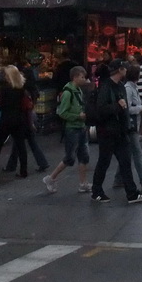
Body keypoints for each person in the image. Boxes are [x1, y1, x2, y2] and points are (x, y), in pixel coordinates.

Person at [90, 60, 142, 204]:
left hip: (120, 131)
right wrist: (117, 106)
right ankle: (96, 191)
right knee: (104, 161)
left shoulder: (121, 86)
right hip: (107, 131)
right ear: (119, 70)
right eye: (125, 69)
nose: (127, 71)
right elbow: (101, 109)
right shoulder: (106, 87)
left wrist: (127, 126)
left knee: (125, 161)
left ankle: (132, 193)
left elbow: (125, 109)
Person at [43, 65, 91, 194]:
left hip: (81, 127)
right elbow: (62, 112)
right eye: (82, 77)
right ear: (75, 77)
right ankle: (51, 178)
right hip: (72, 129)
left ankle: (83, 183)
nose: (84, 79)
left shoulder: (78, 91)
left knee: (84, 156)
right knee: (70, 157)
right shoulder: (68, 93)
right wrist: (77, 116)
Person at [0, 65, 30, 178]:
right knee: (21, 146)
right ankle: (23, 171)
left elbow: (1, 106)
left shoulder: (5, 89)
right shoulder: (21, 89)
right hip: (19, 119)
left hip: (6, 120)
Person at [114, 64, 142, 193]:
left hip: (133, 124)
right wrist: (141, 108)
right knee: (137, 152)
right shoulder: (128, 88)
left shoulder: (133, 87)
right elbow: (127, 108)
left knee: (127, 153)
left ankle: (118, 178)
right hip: (130, 125)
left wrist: (141, 104)